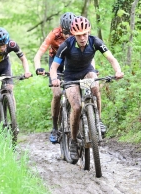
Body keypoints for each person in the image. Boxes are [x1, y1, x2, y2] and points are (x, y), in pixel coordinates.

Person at [50, 16, 124, 161]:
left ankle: (98, 120)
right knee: (76, 107)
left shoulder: (95, 41)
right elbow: (54, 67)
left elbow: (111, 59)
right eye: (79, 35)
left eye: (85, 34)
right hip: (70, 76)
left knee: (95, 86)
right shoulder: (67, 44)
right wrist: (54, 78)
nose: (82, 38)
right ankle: (72, 141)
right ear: (73, 34)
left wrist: (118, 71)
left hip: (86, 72)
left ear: (88, 32)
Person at [34, 12, 76, 144]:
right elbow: (39, 54)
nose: (68, 35)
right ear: (61, 28)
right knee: (57, 94)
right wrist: (38, 67)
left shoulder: (78, 32)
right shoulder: (54, 34)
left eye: (71, 32)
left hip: (71, 60)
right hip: (55, 62)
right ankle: (54, 127)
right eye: (66, 32)